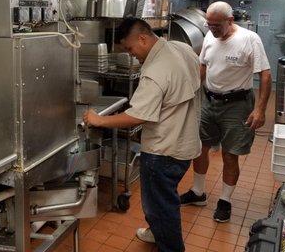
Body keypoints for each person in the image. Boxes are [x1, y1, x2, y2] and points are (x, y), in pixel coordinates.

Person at [84, 18, 201, 252]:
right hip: (186, 143)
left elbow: (137, 118)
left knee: (161, 206)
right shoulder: (182, 48)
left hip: (163, 152)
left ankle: (170, 247)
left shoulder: (155, 71)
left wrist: (99, 120)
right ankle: (156, 232)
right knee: (163, 199)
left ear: (143, 38)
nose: (131, 55)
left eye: (130, 49)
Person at [180, 1, 272, 223]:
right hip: (209, 101)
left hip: (237, 104)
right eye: (209, 24)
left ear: (230, 21)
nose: (212, 29)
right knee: (200, 147)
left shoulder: (250, 39)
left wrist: (260, 110)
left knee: (230, 154)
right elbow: (203, 65)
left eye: (216, 25)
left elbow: (266, 75)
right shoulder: (210, 36)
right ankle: (198, 192)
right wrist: (191, 92)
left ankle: (225, 200)